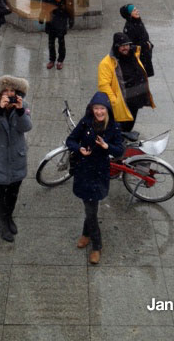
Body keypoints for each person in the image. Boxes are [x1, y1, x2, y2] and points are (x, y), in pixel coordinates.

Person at [66, 91, 124, 265]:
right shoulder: (85, 122)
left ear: (107, 110)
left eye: (102, 108)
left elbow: (120, 150)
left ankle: (96, 245)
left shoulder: (113, 127)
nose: (99, 112)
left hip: (100, 172)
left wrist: (107, 146)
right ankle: (87, 235)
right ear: (92, 109)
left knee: (91, 209)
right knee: (90, 208)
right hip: (84, 170)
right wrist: (79, 149)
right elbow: (70, 140)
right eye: (96, 108)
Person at [0, 75, 32, 242]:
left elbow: (27, 127)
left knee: (13, 191)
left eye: (12, 91)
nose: (9, 94)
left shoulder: (23, 105)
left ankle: (8, 216)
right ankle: (3, 224)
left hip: (16, 156)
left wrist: (20, 112)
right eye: (5, 91)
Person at [98, 32, 155, 131]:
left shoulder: (134, 54)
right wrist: (114, 101)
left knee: (129, 124)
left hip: (135, 99)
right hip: (121, 101)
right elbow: (104, 85)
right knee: (120, 127)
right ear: (116, 46)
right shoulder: (106, 63)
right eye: (122, 46)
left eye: (127, 45)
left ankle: (126, 134)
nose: (125, 48)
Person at [39, 0, 74, 70]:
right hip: (51, 18)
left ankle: (60, 60)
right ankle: (52, 59)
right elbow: (44, 3)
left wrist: (71, 19)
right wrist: (42, 16)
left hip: (62, 18)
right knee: (51, 41)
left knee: (61, 41)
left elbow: (71, 6)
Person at [120, 4, 154, 77]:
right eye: (134, 10)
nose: (137, 11)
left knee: (144, 77)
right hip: (138, 59)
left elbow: (145, 37)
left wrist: (150, 45)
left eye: (136, 9)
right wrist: (146, 45)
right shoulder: (129, 27)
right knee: (140, 78)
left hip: (144, 56)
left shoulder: (138, 22)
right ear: (129, 14)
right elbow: (131, 45)